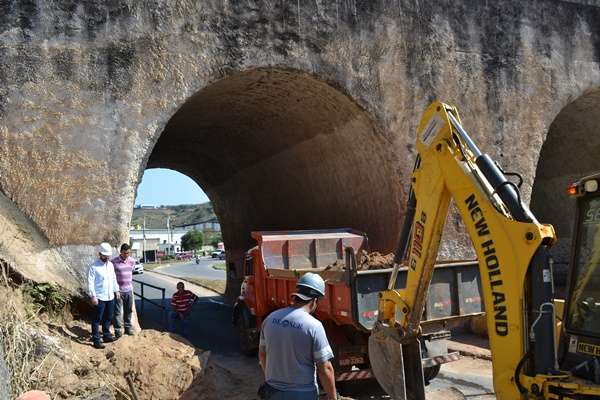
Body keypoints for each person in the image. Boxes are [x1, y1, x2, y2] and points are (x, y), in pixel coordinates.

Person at [258, 273, 338, 400]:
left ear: (297, 295)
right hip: (302, 393)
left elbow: (262, 355)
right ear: (315, 300)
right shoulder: (313, 326)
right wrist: (333, 398)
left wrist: (271, 380)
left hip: (272, 391)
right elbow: (325, 369)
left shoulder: (270, 319)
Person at [87, 242, 120, 349]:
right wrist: (93, 296)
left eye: (108, 256)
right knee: (97, 318)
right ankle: (96, 340)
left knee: (109, 316)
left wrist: (116, 290)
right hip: (99, 297)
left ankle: (106, 335)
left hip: (110, 296)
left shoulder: (110, 265)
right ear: (100, 254)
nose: (107, 257)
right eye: (105, 255)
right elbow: (90, 283)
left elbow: (114, 279)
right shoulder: (93, 267)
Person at [112, 243, 136, 337]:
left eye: (128, 253)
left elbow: (131, 272)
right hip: (118, 291)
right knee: (117, 312)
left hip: (129, 290)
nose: (127, 255)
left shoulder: (132, 261)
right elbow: (111, 276)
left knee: (128, 310)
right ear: (121, 252)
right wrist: (115, 289)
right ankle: (118, 330)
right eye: (125, 253)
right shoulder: (114, 262)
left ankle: (128, 328)